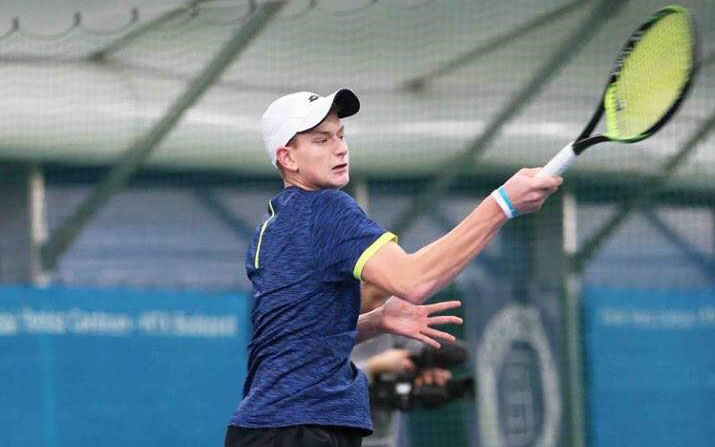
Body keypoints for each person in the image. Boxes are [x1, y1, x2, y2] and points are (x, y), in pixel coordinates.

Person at [225, 89, 562, 447]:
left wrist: (377, 321)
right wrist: (502, 204)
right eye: (321, 140)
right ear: (287, 157)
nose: (340, 148)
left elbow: (299, 337)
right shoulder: (327, 209)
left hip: (270, 429)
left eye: (340, 135)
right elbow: (413, 280)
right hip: (300, 431)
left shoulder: (271, 227)